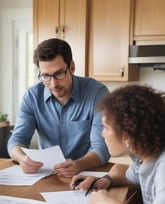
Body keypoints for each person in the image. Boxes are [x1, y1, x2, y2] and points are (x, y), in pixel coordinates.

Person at [8, 38, 110, 177]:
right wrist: (22, 158)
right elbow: (16, 140)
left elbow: (102, 147)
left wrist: (78, 165)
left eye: (59, 74)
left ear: (72, 67)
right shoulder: (32, 97)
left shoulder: (97, 93)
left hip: (86, 174)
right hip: (46, 175)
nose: (53, 84)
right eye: (45, 76)